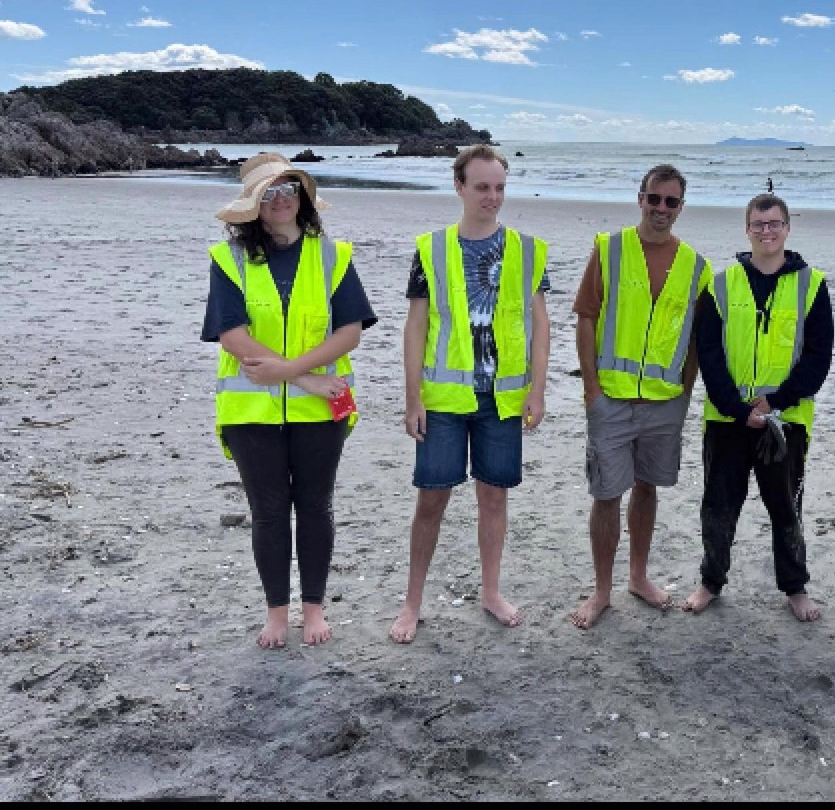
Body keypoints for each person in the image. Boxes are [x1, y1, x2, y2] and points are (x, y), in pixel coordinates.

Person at [202, 152, 375, 649]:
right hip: (251, 412)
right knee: (270, 512)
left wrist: (290, 373)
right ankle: (277, 613)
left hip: (322, 413)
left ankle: (314, 610)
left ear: (303, 198)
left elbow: (350, 333)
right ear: (253, 205)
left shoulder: (333, 255)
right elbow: (231, 336)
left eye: (289, 190)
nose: (280, 200)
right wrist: (304, 379)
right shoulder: (228, 259)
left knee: (315, 506)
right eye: (268, 193)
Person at [389, 144, 551, 641]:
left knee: (493, 498)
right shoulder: (431, 249)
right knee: (431, 502)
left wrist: (537, 390)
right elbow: (415, 327)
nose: (492, 197)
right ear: (459, 187)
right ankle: (412, 602)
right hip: (441, 401)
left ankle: (491, 591)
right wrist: (412, 397)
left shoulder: (528, 250)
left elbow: (540, 325)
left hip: (501, 399)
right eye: (482, 187)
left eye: (500, 188)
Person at [570, 164, 712, 629]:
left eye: (671, 202)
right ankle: (602, 591)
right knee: (607, 493)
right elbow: (587, 318)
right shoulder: (609, 249)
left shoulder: (696, 266)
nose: (662, 209)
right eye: (655, 199)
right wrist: (592, 389)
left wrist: (685, 392)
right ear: (641, 198)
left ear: (681, 207)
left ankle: (638, 577)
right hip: (610, 398)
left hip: (664, 403)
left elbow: (695, 339)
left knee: (648, 489)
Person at [684, 193, 833, 621]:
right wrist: (736, 407)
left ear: (787, 227)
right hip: (727, 418)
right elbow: (708, 353)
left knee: (786, 507)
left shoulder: (813, 285)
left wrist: (776, 401)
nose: (766, 231)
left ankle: (795, 588)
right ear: (747, 229)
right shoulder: (721, 283)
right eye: (758, 224)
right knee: (718, 506)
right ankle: (711, 581)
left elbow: (818, 357)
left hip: (786, 420)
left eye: (774, 224)